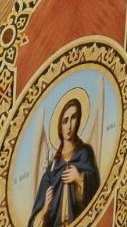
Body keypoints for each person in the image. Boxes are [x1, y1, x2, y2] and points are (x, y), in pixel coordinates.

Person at [28, 97, 100, 227]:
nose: (69, 126)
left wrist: (79, 179)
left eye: (73, 118)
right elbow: (35, 221)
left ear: (78, 121)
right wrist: (45, 209)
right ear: (60, 127)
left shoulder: (85, 153)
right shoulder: (52, 169)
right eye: (65, 120)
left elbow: (97, 195)